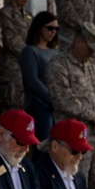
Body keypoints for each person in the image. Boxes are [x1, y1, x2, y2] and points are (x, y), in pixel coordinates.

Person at [46, 21, 95, 189]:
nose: (92, 52)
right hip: (74, 141)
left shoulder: (93, 66)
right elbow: (63, 99)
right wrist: (93, 116)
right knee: (76, 187)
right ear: (78, 40)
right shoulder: (59, 64)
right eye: (89, 47)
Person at [20, 11, 60, 141]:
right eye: (50, 28)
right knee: (43, 147)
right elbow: (32, 81)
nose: (53, 31)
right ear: (39, 27)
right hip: (39, 107)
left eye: (56, 29)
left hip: (57, 108)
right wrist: (52, 99)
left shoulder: (57, 52)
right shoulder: (30, 51)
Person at [0, 0, 33, 111]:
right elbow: (10, 40)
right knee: (14, 107)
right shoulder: (5, 14)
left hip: (29, 68)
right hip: (13, 69)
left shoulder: (28, 15)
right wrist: (31, 55)